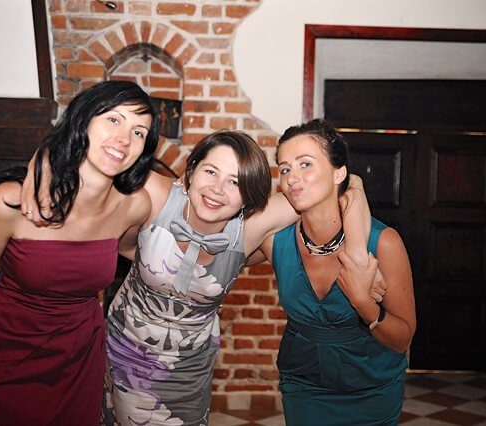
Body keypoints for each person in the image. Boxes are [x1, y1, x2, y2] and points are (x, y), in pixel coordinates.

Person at [21, 130, 380, 426]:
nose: (217, 189)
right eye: (210, 172)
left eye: (235, 182)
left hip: (186, 371)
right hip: (117, 352)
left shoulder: (251, 227)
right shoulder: (158, 194)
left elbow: (347, 186)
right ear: (190, 172)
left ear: (249, 196)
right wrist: (38, 171)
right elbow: (79, 151)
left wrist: (357, 259)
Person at [0, 80, 160, 426]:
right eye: (114, 119)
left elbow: (198, 197)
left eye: (139, 132)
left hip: (78, 367)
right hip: (4, 363)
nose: (124, 138)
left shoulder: (134, 207)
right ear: (84, 121)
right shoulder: (10, 203)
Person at [253, 119, 416, 426]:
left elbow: (402, 338)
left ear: (339, 173)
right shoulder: (275, 241)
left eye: (305, 164)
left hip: (372, 390)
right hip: (304, 387)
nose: (292, 177)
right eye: (285, 169)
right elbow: (222, 250)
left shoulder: (384, 242)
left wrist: (364, 304)